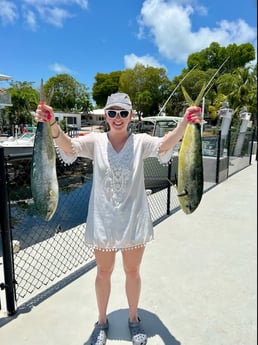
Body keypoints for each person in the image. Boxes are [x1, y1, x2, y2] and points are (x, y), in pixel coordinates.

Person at [35, 92, 202, 345]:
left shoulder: (141, 142)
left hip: (134, 220)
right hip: (103, 220)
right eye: (112, 112)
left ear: (131, 116)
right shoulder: (96, 141)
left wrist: (185, 122)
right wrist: (51, 124)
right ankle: (101, 322)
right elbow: (69, 147)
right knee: (103, 273)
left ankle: (134, 320)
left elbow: (165, 144)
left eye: (123, 113)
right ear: (105, 115)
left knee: (132, 272)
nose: (117, 118)